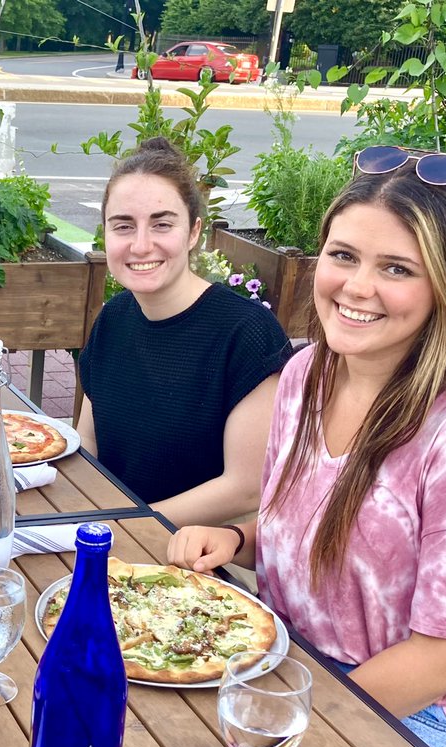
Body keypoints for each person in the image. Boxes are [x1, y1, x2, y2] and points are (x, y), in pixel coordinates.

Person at [168, 146, 446, 747]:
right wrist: (236, 540)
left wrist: (289, 714)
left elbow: (445, 655)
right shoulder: (305, 375)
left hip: (416, 724)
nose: (357, 287)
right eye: (344, 256)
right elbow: (315, 533)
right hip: (282, 668)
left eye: (397, 268)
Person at [75, 136, 292, 527]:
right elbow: (88, 442)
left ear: (193, 233)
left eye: (162, 224)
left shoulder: (247, 334)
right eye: (123, 226)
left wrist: (127, 525)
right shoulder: (113, 318)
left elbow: (245, 487)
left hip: (199, 561)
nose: (141, 245)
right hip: (108, 533)